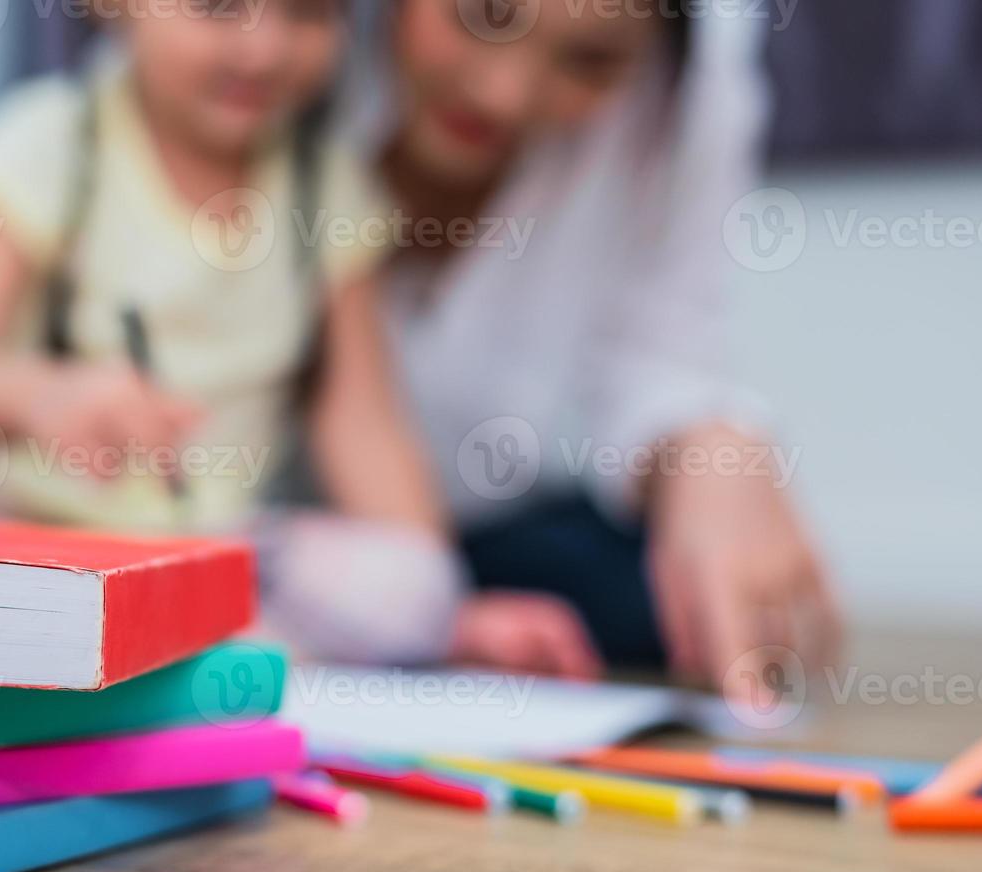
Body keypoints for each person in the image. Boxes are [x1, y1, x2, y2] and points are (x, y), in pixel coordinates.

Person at [0, 0, 467, 664]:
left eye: (310, 14)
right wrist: (44, 398)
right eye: (218, 9)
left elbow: (363, 425)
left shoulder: (326, 186)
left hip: (203, 549)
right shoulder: (51, 142)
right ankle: (165, 650)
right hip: (11, 534)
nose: (263, 51)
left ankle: (113, 649)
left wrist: (449, 604)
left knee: (412, 590)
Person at [333, 0, 842, 697]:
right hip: (275, 532)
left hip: (496, 541)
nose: (502, 93)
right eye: (484, 15)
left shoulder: (689, 100)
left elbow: (665, 350)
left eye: (592, 61)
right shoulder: (275, 79)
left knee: (646, 604)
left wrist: (710, 445)